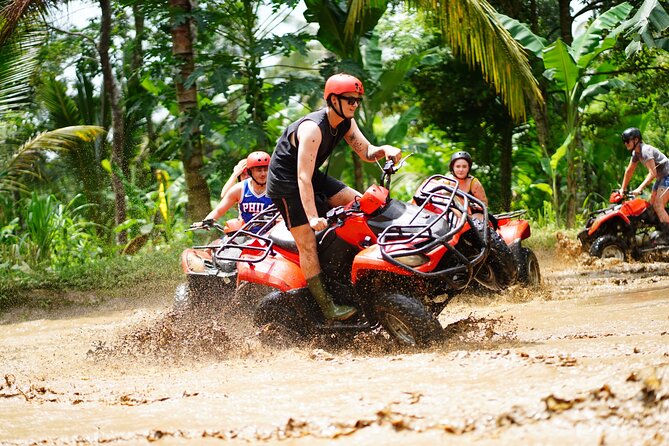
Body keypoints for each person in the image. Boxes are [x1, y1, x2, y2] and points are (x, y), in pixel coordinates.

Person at [266, 73, 401, 321]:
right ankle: (328, 307)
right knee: (307, 243)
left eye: (357, 100)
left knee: (360, 202)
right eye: (350, 99)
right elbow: (302, 179)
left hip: (308, 174)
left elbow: (366, 151)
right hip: (286, 182)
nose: (355, 104)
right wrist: (312, 216)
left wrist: (385, 150)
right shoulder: (312, 129)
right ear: (333, 100)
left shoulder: (346, 122)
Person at [198, 151, 273, 230]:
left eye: (266, 170)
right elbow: (218, 211)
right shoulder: (239, 189)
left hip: (272, 236)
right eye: (259, 170)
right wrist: (205, 222)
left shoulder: (277, 188)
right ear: (250, 172)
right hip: (245, 235)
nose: (263, 174)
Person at [619, 127, 669, 232]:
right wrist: (622, 190)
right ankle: (659, 231)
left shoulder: (645, 150)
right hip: (661, 177)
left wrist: (639, 188)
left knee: (658, 205)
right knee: (651, 206)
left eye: (627, 141)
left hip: (667, 175)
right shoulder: (636, 153)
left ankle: (666, 236)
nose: (626, 144)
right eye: (624, 142)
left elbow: (652, 173)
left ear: (636, 140)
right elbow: (629, 171)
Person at [446, 151, 488, 218]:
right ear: (452, 167)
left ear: (469, 168)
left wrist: (478, 206)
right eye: (458, 166)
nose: (461, 169)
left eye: (464, 167)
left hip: (471, 217)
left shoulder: (474, 183)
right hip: (451, 215)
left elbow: (484, 204)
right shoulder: (446, 181)